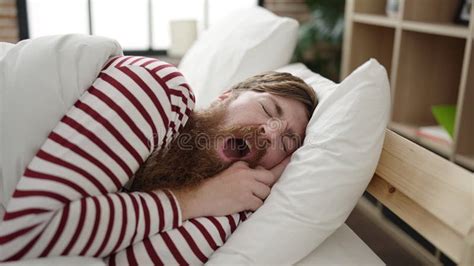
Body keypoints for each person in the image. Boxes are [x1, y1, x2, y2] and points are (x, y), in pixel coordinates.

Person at [0, 55, 317, 264]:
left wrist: (248, 194)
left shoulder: (222, 198)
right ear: (225, 96)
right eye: (267, 109)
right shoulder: (162, 90)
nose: (270, 133)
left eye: (287, 142)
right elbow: (27, 238)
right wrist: (192, 200)